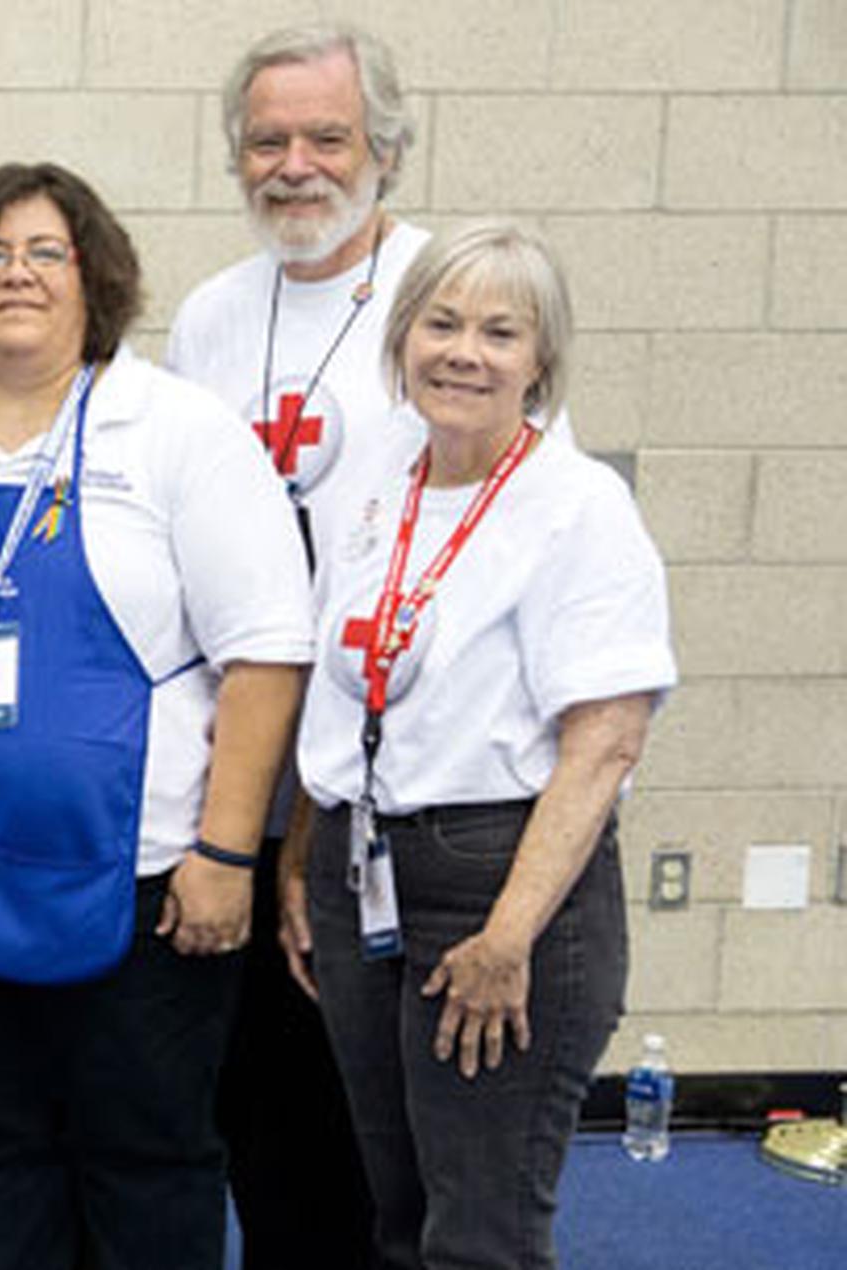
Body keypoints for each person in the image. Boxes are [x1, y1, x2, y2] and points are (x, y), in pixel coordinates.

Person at [0, 163, 313, 1270]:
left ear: (92, 277)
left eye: (43, 253)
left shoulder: (177, 433)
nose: (15, 275)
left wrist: (222, 853)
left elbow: (265, 656)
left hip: (144, 887)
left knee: (142, 1161)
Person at [290, 220, 672, 1270]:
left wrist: (507, 940)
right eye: (441, 322)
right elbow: (336, 688)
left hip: (501, 888)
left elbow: (604, 743)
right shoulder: (375, 469)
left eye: (500, 331)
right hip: (360, 867)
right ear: (401, 336)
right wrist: (300, 860)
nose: (463, 351)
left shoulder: (578, 507)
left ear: (540, 359)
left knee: (482, 1230)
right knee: (399, 1210)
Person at [163, 24, 422, 1265]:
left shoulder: (443, 297)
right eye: (266, 141)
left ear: (385, 147)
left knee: (380, 1136)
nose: (295, 166)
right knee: (261, 1118)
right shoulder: (215, 314)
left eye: (326, 137)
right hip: (245, 770)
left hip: (385, 788)